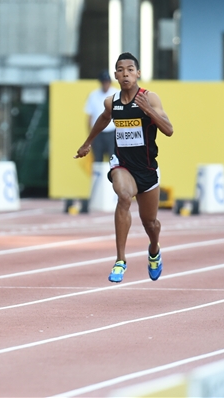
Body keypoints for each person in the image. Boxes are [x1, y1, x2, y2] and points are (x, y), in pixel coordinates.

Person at [74, 52, 173, 283]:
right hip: (123, 164)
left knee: (151, 223)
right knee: (124, 196)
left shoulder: (151, 98)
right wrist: (87, 143)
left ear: (138, 73)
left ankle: (154, 249)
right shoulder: (112, 102)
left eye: (130, 69)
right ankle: (120, 260)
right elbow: (103, 119)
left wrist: (147, 110)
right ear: (116, 75)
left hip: (147, 169)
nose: (126, 73)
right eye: (121, 69)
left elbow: (169, 130)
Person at [83, 70, 117, 162]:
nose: (105, 84)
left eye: (107, 82)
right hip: (98, 133)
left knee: (114, 159)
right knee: (97, 160)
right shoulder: (93, 95)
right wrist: (90, 136)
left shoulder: (117, 94)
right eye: (103, 82)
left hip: (112, 132)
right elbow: (90, 116)